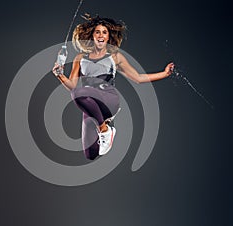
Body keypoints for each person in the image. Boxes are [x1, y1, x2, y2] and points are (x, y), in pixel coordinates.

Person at [52, 14, 174, 160]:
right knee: (91, 154)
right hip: (89, 101)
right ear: (92, 35)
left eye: (105, 32)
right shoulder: (80, 58)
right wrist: (59, 74)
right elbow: (72, 85)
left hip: (108, 99)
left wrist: (165, 74)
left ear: (109, 37)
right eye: (97, 32)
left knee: (79, 93)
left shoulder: (115, 57)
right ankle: (103, 126)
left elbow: (138, 78)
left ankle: (104, 130)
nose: (101, 35)